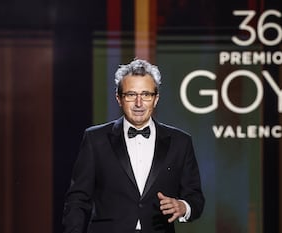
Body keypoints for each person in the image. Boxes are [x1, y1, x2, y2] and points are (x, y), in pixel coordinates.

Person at [62, 59, 205, 233]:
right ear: (119, 98)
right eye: (131, 95)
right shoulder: (95, 139)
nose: (139, 103)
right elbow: (78, 199)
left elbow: (196, 198)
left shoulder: (180, 142)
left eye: (146, 94)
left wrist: (183, 207)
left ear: (156, 98)